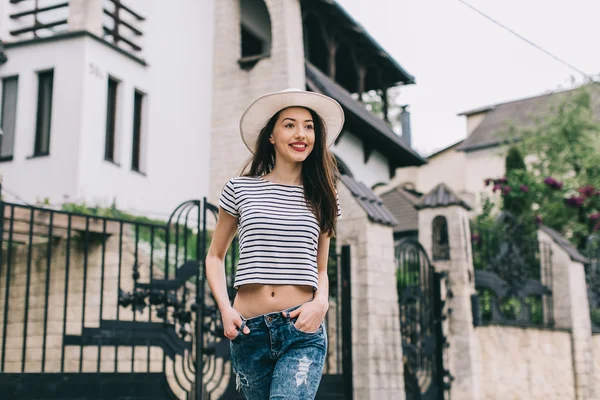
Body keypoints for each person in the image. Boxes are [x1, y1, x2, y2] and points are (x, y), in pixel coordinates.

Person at [205, 88, 344, 399]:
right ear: (271, 135)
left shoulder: (324, 195)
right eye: (290, 124)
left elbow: (321, 268)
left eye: (309, 126)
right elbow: (214, 256)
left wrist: (321, 303)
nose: (301, 134)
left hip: (300, 330)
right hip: (248, 332)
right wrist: (225, 309)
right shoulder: (240, 189)